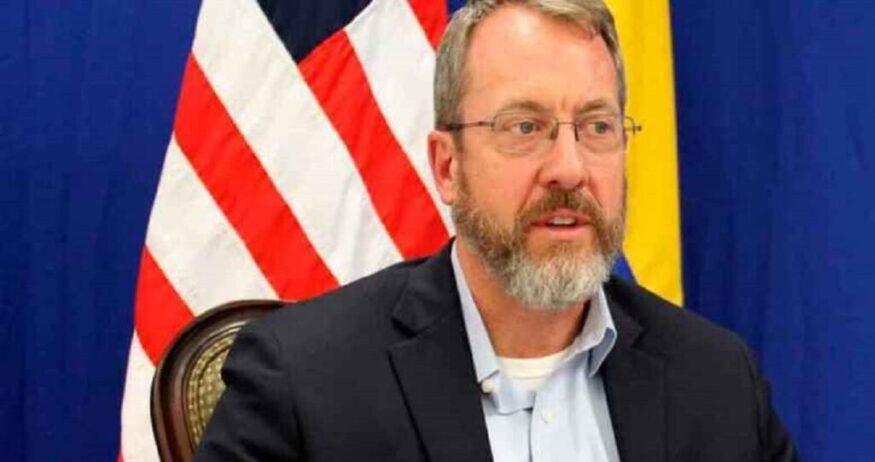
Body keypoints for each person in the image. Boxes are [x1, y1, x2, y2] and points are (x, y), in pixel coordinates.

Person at [195, 0, 798, 460]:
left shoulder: (717, 381)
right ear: (447, 167)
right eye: (524, 127)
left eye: (596, 127)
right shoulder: (306, 382)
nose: (569, 169)